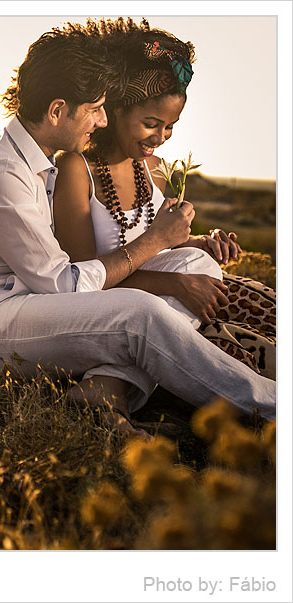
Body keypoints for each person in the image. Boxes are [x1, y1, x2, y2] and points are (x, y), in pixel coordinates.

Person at [0, 21, 275, 437]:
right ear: (57, 110)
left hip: (29, 307)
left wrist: (180, 243)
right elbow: (63, 283)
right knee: (140, 314)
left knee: (190, 262)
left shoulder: (32, 162)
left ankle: (106, 388)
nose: (100, 119)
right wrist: (153, 241)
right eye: (94, 108)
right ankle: (270, 407)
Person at [52, 18, 276, 380]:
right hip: (117, 308)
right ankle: (119, 378)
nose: (161, 137)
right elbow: (83, 280)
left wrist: (200, 242)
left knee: (268, 309)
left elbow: (157, 247)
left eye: (170, 126)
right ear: (116, 110)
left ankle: (125, 375)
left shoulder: (153, 168)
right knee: (246, 355)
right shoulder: (77, 169)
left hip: (165, 295)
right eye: (151, 123)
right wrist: (177, 284)